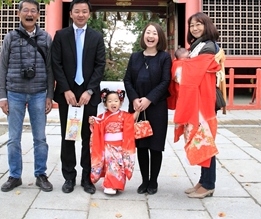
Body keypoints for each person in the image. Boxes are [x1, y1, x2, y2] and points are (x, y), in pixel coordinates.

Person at [0, 0, 54, 193]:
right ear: (19, 13)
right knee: (14, 138)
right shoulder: (10, 37)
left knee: (40, 138)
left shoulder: (46, 38)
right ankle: (14, 175)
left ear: (38, 15)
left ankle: (41, 174)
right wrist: (2, 96)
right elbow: (2, 67)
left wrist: (50, 95)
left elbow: (50, 68)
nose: (30, 14)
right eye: (26, 10)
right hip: (14, 93)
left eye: (34, 11)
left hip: (39, 93)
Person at [52, 0, 106, 194]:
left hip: (88, 96)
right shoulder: (61, 35)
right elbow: (56, 64)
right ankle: (69, 177)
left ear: (89, 14)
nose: (81, 14)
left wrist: (90, 90)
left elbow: (100, 66)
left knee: (87, 137)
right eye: (77, 11)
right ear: (71, 14)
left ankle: (87, 178)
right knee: (68, 137)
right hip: (68, 95)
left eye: (84, 11)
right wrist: (65, 89)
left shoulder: (96, 37)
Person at [172, 12, 224, 199]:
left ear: (207, 25)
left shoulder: (208, 46)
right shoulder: (198, 45)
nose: (194, 28)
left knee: (204, 141)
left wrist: (178, 65)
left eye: (198, 24)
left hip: (203, 100)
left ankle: (209, 184)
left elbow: (191, 71)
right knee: (199, 139)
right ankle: (203, 181)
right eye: (192, 25)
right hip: (198, 99)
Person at [124, 22, 172, 195]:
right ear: (143, 36)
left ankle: (153, 181)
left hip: (156, 107)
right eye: (148, 32)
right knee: (141, 145)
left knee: (155, 145)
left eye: (154, 33)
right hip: (137, 108)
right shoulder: (135, 56)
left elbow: (165, 81)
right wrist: (135, 98)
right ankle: (144, 180)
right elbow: (127, 79)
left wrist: (149, 99)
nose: (151, 36)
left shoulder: (164, 57)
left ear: (159, 38)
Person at [89, 88, 135, 195]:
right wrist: (92, 122)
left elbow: (132, 121)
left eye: (116, 101)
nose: (113, 103)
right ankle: (110, 185)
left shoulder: (125, 115)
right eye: (109, 101)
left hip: (120, 146)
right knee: (111, 166)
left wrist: (137, 110)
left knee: (119, 166)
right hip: (108, 146)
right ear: (105, 104)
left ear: (120, 102)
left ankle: (116, 185)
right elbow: (96, 127)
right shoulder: (102, 116)